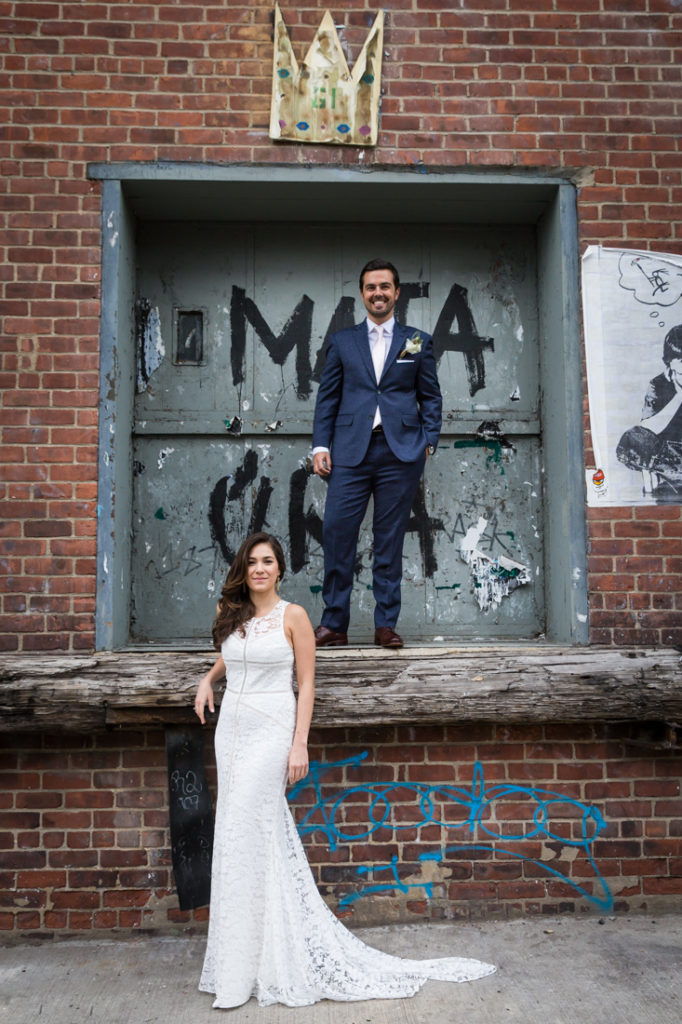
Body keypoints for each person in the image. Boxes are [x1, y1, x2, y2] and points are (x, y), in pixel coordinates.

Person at [194, 531, 495, 1009]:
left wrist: (299, 745)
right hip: (229, 733)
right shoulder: (229, 614)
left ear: (280, 568)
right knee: (236, 836)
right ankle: (240, 962)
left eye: (268, 561)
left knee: (257, 830)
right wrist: (207, 680)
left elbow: (307, 684)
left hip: (272, 733)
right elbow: (231, 656)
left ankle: (276, 957)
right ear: (242, 568)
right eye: (252, 562)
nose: (259, 569)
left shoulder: (293, 617)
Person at [312, 259, 442, 649]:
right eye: (371, 287)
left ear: (396, 292)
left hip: (400, 454)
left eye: (385, 286)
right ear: (363, 293)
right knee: (337, 535)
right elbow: (327, 398)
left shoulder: (416, 340)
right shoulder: (342, 341)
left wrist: (428, 441)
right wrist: (321, 445)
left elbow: (431, 396)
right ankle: (334, 624)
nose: (378, 293)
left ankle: (386, 625)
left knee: (389, 542)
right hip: (350, 454)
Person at [616, 324, 682, 498]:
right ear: (669, 367)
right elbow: (646, 430)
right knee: (632, 438)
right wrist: (679, 397)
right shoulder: (659, 384)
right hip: (670, 456)